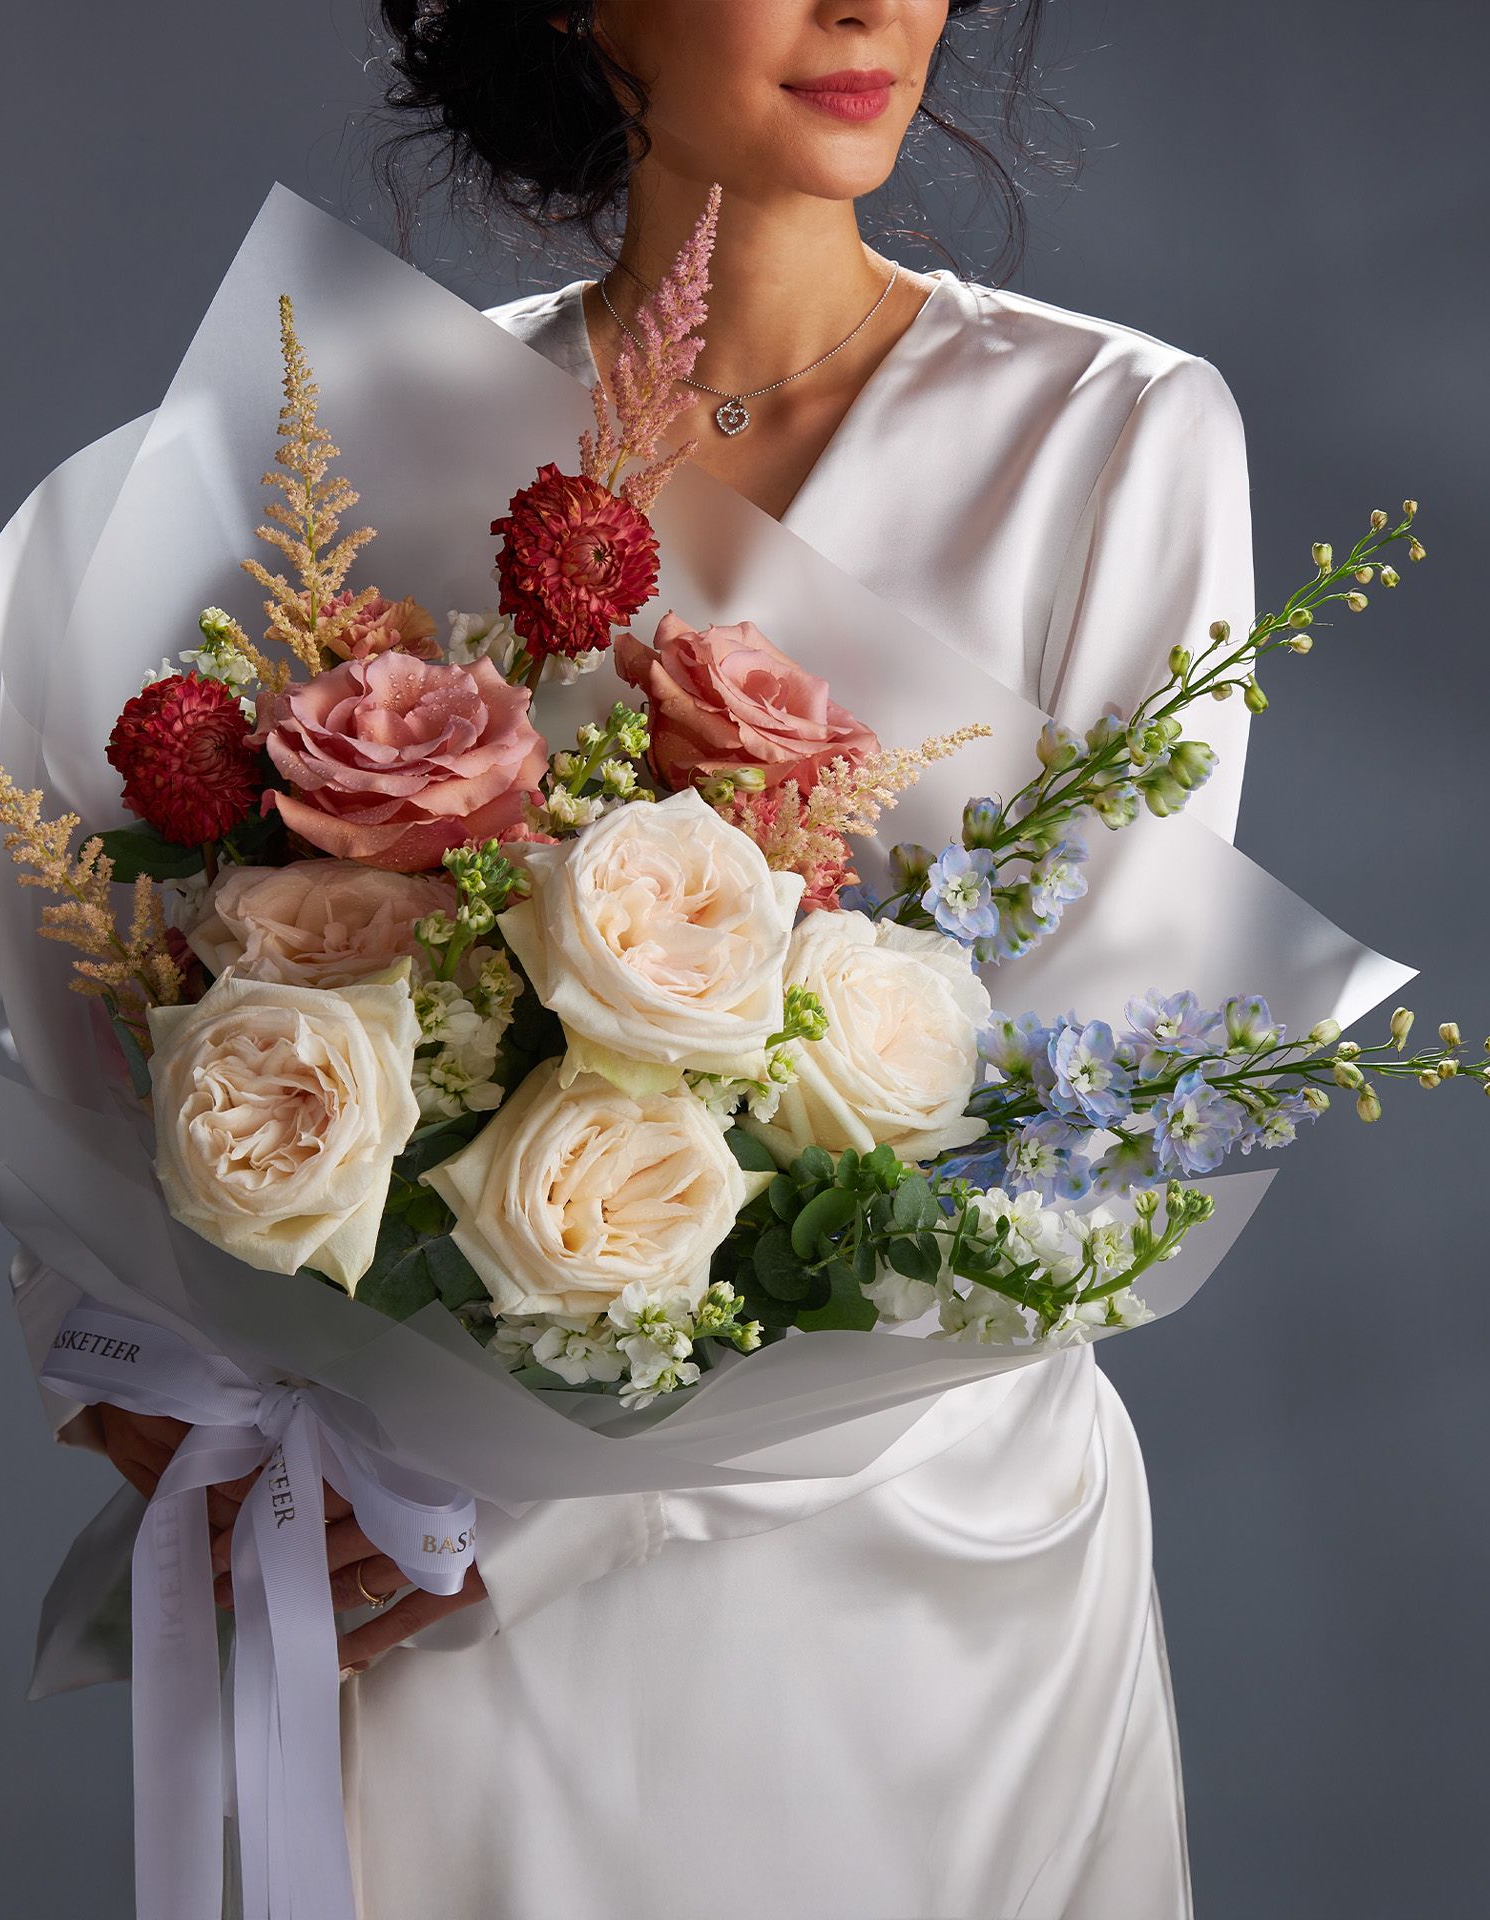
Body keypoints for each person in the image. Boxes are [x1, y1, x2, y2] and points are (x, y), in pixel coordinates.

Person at [77, 2, 1257, 1912]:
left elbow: (1099, 1127)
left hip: (916, 1597)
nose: (870, 6)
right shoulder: (379, 432)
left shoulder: (1109, 437)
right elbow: (174, 977)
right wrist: (152, 1362)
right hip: (452, 1599)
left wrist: (499, 1428)